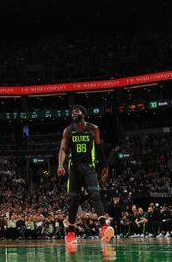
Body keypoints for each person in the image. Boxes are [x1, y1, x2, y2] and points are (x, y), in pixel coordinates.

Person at [57, 105, 108, 246]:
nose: (73, 113)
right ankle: (70, 233)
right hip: (74, 168)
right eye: (72, 112)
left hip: (89, 167)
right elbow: (63, 149)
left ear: (83, 114)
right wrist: (60, 165)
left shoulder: (93, 129)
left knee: (95, 194)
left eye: (76, 111)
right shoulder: (68, 131)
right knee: (74, 200)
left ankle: (104, 228)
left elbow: (98, 148)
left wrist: (105, 166)